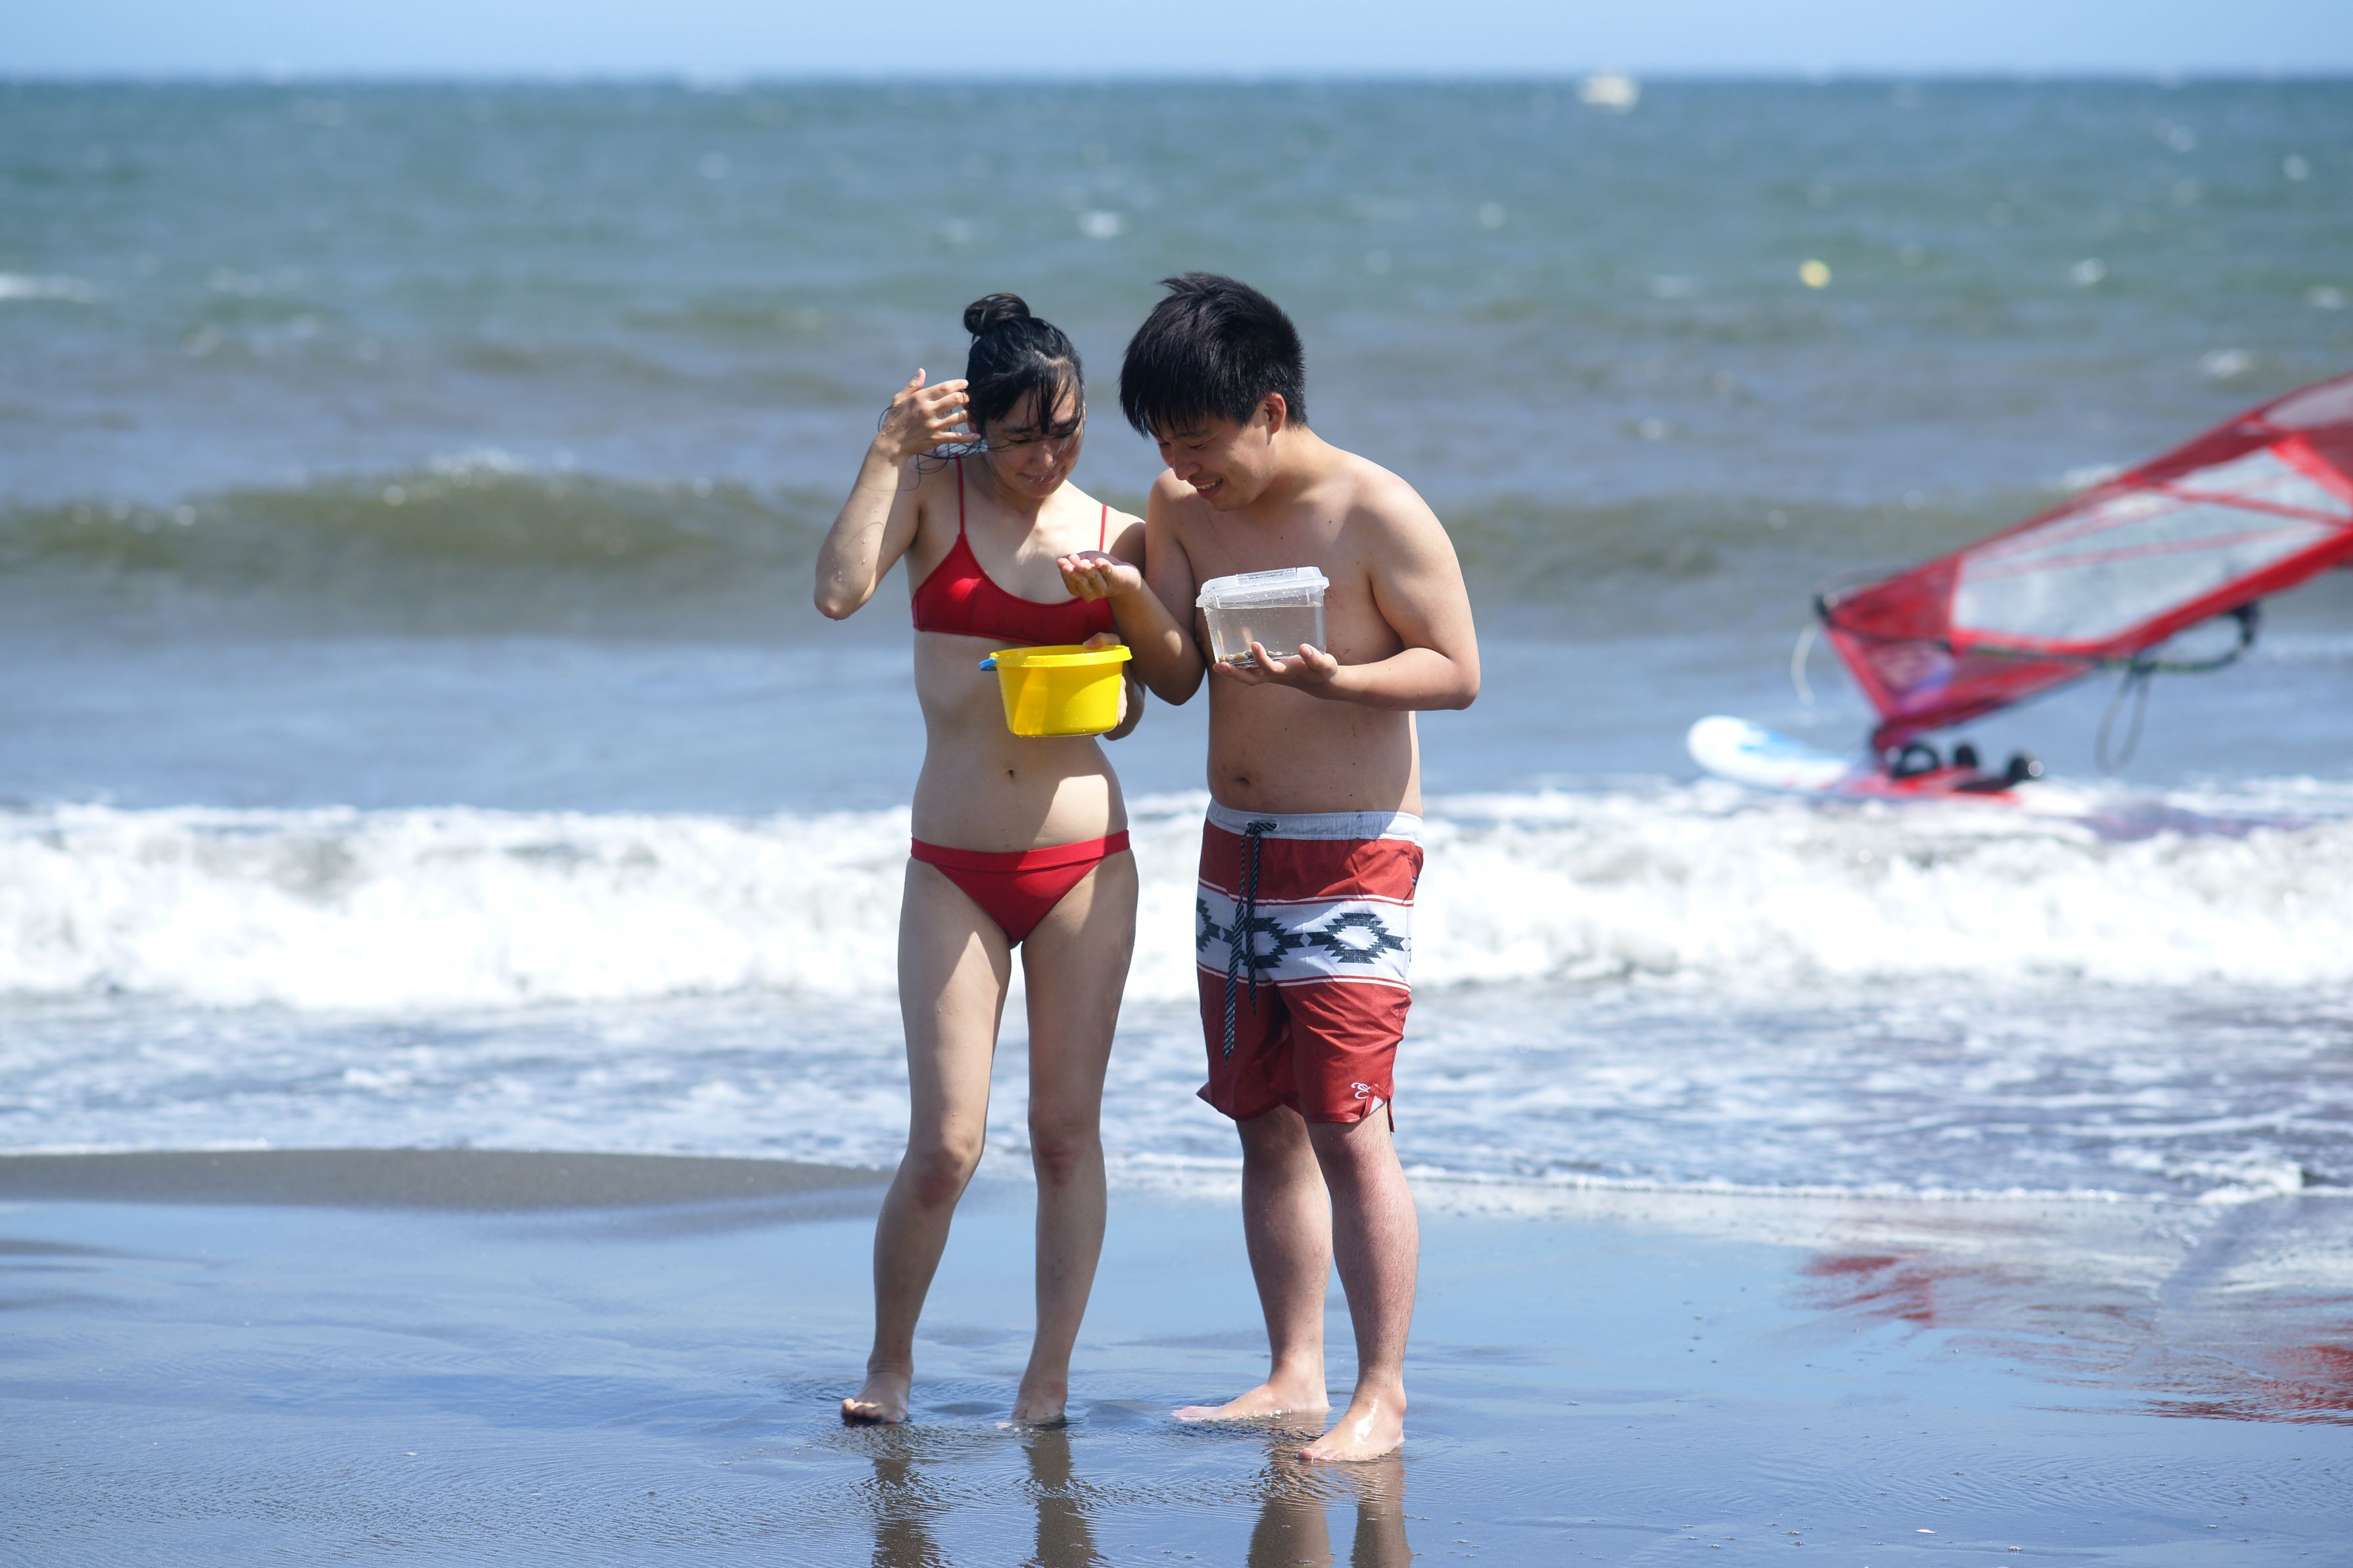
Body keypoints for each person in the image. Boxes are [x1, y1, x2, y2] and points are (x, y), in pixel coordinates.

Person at [1057, 273, 1479, 1461]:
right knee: (1263, 1120)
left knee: (1348, 1120)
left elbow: (1455, 670)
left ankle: (1381, 1392)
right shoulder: (1180, 504)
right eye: (1165, 446)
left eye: (1200, 444)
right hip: (1234, 847)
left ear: (1271, 410)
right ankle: (1295, 1372)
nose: (1183, 469)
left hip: (1353, 847)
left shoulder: (1377, 511)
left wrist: (1340, 680)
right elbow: (1176, 675)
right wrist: (1131, 595)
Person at [815, 293, 1145, 1427]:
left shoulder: (1115, 534)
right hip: (951, 863)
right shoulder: (929, 494)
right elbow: (836, 592)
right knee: (946, 1145)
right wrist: (883, 451)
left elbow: (1137, 709)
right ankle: (889, 1364)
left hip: (1084, 863)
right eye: (1019, 438)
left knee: (1064, 1135)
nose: (1045, 458)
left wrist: (1112, 651)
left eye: (1066, 431)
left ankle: (1046, 1381)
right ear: (976, 430)